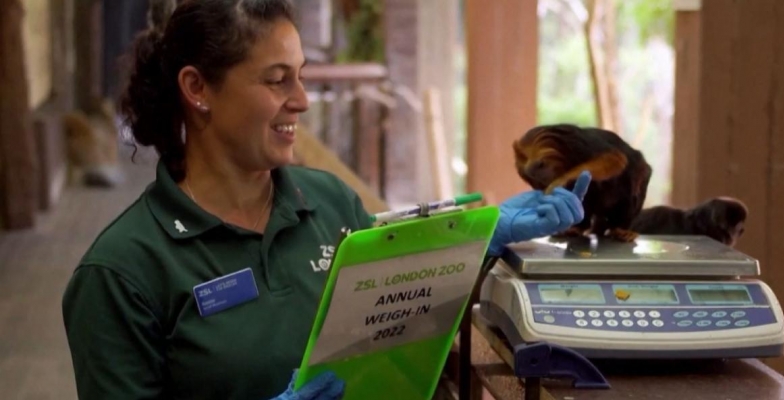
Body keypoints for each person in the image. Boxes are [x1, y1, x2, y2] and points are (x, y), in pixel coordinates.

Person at [60, 1, 593, 399]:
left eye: (302, 77)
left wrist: (469, 243)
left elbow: (397, 324)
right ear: (197, 88)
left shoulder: (330, 204)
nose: (302, 100)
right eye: (276, 80)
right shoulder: (121, 274)